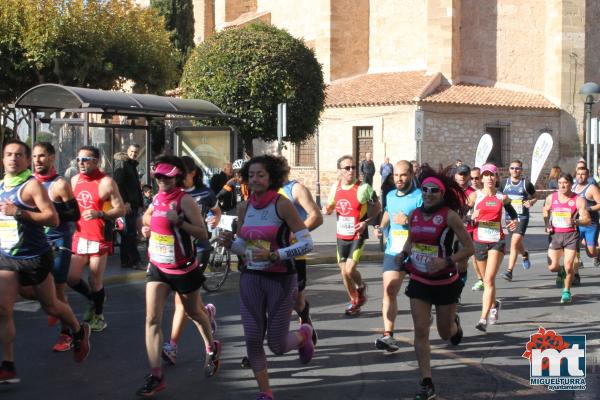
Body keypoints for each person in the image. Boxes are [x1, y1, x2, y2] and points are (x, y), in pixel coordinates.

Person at [217, 155, 315, 400]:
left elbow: (306, 243)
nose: (255, 179)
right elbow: (243, 245)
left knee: (277, 345)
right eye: (251, 175)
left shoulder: (282, 204)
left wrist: (275, 255)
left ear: (272, 177)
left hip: (280, 279)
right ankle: (266, 392)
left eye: (260, 175)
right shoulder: (245, 206)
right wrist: (230, 244)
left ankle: (304, 335)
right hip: (251, 277)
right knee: (252, 338)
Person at [0, 140, 90, 384]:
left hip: (36, 256)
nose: (13, 159)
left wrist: (18, 212)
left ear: (26, 161)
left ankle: (78, 330)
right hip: (8, 257)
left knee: (51, 305)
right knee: (4, 309)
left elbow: (52, 219)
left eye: (19, 155)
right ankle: (7, 365)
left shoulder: (32, 187)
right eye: (8, 154)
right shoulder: (0, 186)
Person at [137, 155, 220, 397]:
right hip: (158, 267)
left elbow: (202, 233)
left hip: (183, 268)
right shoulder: (156, 198)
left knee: (194, 312)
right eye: (159, 177)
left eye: (168, 177)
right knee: (152, 319)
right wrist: (146, 226)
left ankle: (211, 346)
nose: (163, 181)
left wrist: (180, 222)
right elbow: (147, 215)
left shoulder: (186, 201)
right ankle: (156, 375)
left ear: (177, 178)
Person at [397, 166, 474, 400]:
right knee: (420, 329)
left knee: (443, 333)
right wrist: (403, 254)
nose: (428, 193)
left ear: (442, 194)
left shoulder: (450, 216)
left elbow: (469, 248)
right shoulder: (415, 215)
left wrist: (447, 261)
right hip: (419, 279)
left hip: (444, 281)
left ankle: (454, 325)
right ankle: (426, 382)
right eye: (425, 189)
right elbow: (411, 241)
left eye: (434, 190)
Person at [161, 156, 222, 365]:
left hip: (198, 249)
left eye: (181, 173)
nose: (176, 177)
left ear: (192, 173)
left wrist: (215, 220)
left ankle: (172, 345)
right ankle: (206, 313)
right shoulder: (168, 193)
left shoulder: (204, 192)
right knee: (190, 303)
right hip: (174, 250)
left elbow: (217, 210)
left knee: (182, 301)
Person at [67, 145, 126, 332]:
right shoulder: (74, 180)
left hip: (99, 237)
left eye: (86, 159)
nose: (81, 163)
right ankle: (95, 299)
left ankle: (99, 315)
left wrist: (100, 213)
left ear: (96, 161)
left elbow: (121, 209)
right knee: (72, 277)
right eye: (78, 159)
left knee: (94, 281)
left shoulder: (107, 182)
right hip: (79, 235)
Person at [31, 142, 81, 352]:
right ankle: (54, 306)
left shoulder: (60, 184)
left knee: (59, 291)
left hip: (58, 242)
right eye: (34, 156)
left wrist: (50, 217)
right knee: (29, 287)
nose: (37, 161)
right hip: (35, 242)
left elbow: (75, 214)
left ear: (51, 157)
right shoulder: (28, 182)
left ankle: (67, 333)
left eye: (42, 156)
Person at [374, 160, 422, 352]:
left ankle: (447, 318)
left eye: (403, 175)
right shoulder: (391, 195)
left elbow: (426, 223)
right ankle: (388, 335)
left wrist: (408, 220)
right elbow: (388, 212)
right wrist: (381, 226)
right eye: (396, 175)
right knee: (389, 291)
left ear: (411, 175)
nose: (399, 179)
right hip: (394, 251)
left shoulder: (420, 197)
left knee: (420, 298)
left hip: (416, 252)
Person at [323, 155, 380, 316]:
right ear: (340, 171)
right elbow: (330, 206)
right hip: (341, 235)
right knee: (343, 272)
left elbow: (378, 207)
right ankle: (355, 301)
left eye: (353, 167)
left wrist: (366, 222)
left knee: (349, 269)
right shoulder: (336, 187)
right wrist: (327, 210)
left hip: (357, 234)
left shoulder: (364, 188)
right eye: (347, 168)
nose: (351, 171)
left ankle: (361, 286)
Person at [468, 163, 518, 332]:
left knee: (489, 279)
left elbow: (513, 214)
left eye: (492, 175)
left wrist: (513, 221)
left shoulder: (502, 198)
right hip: (479, 241)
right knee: (486, 280)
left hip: (497, 240)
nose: (489, 178)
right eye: (486, 175)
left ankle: (483, 319)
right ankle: (494, 303)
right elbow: (463, 214)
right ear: (481, 178)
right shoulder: (475, 196)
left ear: (496, 178)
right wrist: (470, 215)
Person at [278, 160, 323, 346]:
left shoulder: (295, 189)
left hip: (294, 252)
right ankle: (255, 348)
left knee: (297, 300)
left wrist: (295, 234)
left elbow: (316, 216)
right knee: (266, 299)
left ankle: (304, 318)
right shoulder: (264, 192)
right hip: (270, 253)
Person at [543, 173, 590, 303]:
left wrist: (576, 222)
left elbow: (587, 220)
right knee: (552, 267)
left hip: (571, 235)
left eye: (565, 183)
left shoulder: (578, 200)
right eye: (560, 183)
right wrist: (547, 224)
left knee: (569, 266)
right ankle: (561, 270)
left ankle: (566, 291)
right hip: (555, 235)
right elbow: (545, 210)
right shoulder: (551, 198)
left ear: (571, 184)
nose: (562, 186)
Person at [500, 160, 537, 282]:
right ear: (509, 170)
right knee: (517, 243)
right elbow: (498, 197)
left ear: (521, 170)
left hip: (522, 217)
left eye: (517, 168)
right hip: (509, 217)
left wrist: (530, 202)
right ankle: (525, 254)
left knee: (514, 241)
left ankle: (509, 271)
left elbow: (535, 196)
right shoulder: (504, 183)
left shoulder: (526, 184)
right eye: (512, 168)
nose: (515, 170)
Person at [114, 144, 144, 270]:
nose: (134, 154)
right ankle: (135, 260)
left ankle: (126, 261)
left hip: (134, 204)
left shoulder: (131, 165)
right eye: (132, 151)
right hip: (128, 205)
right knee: (129, 233)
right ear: (127, 151)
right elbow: (118, 184)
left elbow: (135, 186)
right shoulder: (122, 163)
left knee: (129, 234)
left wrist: (141, 203)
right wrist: (125, 202)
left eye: (136, 152)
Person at [572, 167, 600, 275]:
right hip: (576, 224)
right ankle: (575, 274)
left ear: (587, 176)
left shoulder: (592, 188)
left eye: (583, 174)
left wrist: (587, 209)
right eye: (578, 174)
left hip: (590, 224)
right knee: (573, 248)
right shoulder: (573, 188)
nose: (580, 176)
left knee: (591, 253)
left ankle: (597, 253)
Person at [468, 166, 485, 290]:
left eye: (476, 178)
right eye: (471, 178)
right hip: (470, 227)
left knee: (486, 257)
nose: (474, 180)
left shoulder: (488, 191)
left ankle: (486, 278)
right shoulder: (468, 191)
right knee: (474, 255)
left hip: (486, 229)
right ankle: (481, 279)